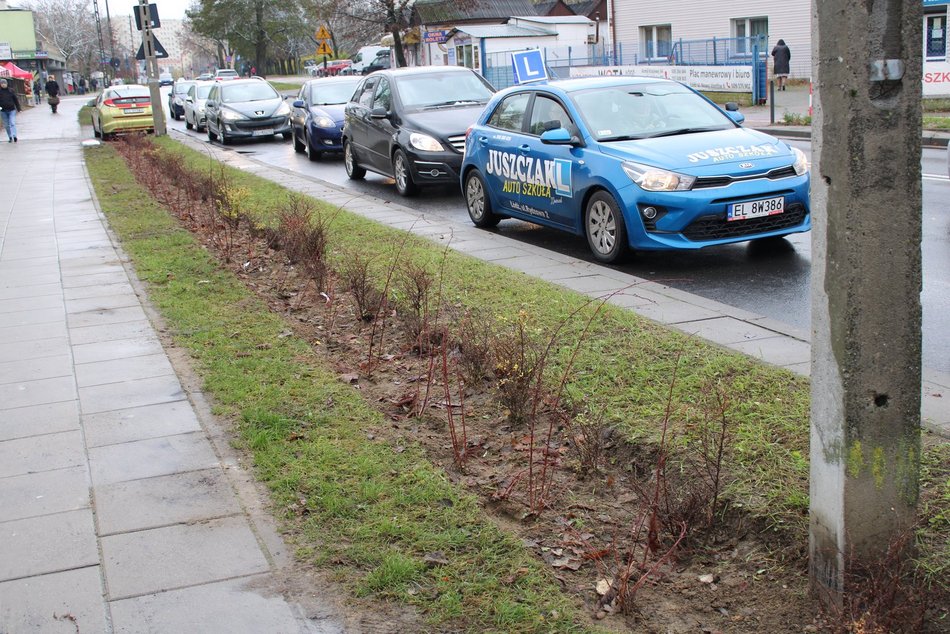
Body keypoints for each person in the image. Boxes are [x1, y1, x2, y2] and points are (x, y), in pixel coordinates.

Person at [0, 78, 22, 143]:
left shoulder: (11, 91)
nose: (3, 84)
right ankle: (10, 136)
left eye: (4, 83)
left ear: (7, 84)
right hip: (3, 111)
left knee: (12, 123)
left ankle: (14, 136)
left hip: (11, 110)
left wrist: (19, 108)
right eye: (2, 83)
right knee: (6, 125)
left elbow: (15, 100)